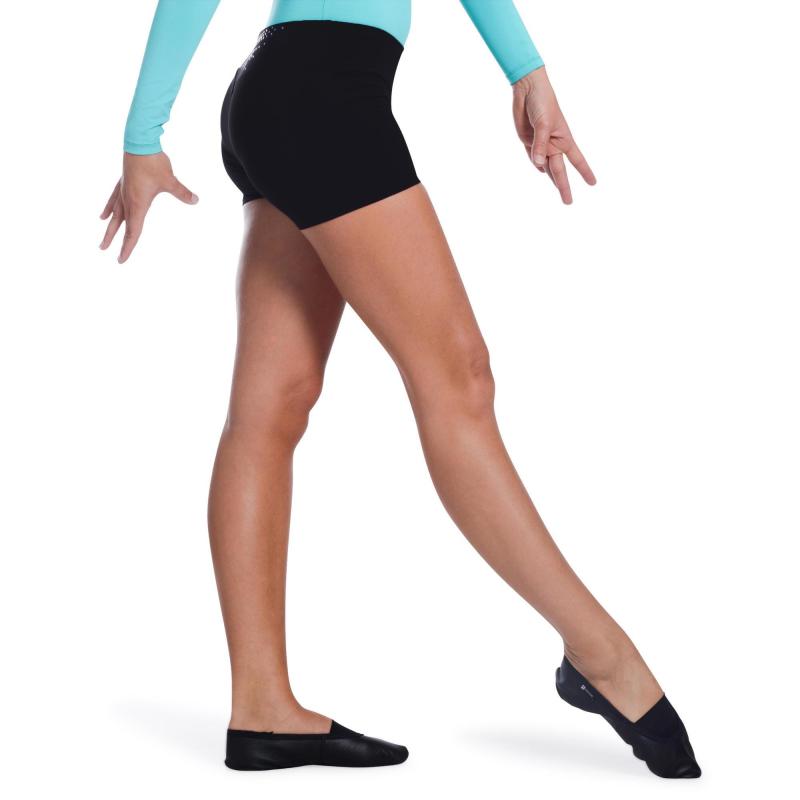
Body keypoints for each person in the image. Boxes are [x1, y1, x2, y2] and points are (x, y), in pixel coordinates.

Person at [99, 0, 701, 778]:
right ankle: (604, 658)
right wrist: (141, 137)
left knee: (269, 409)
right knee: (459, 380)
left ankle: (263, 710)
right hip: (322, 96)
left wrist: (525, 69)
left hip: (285, 90)